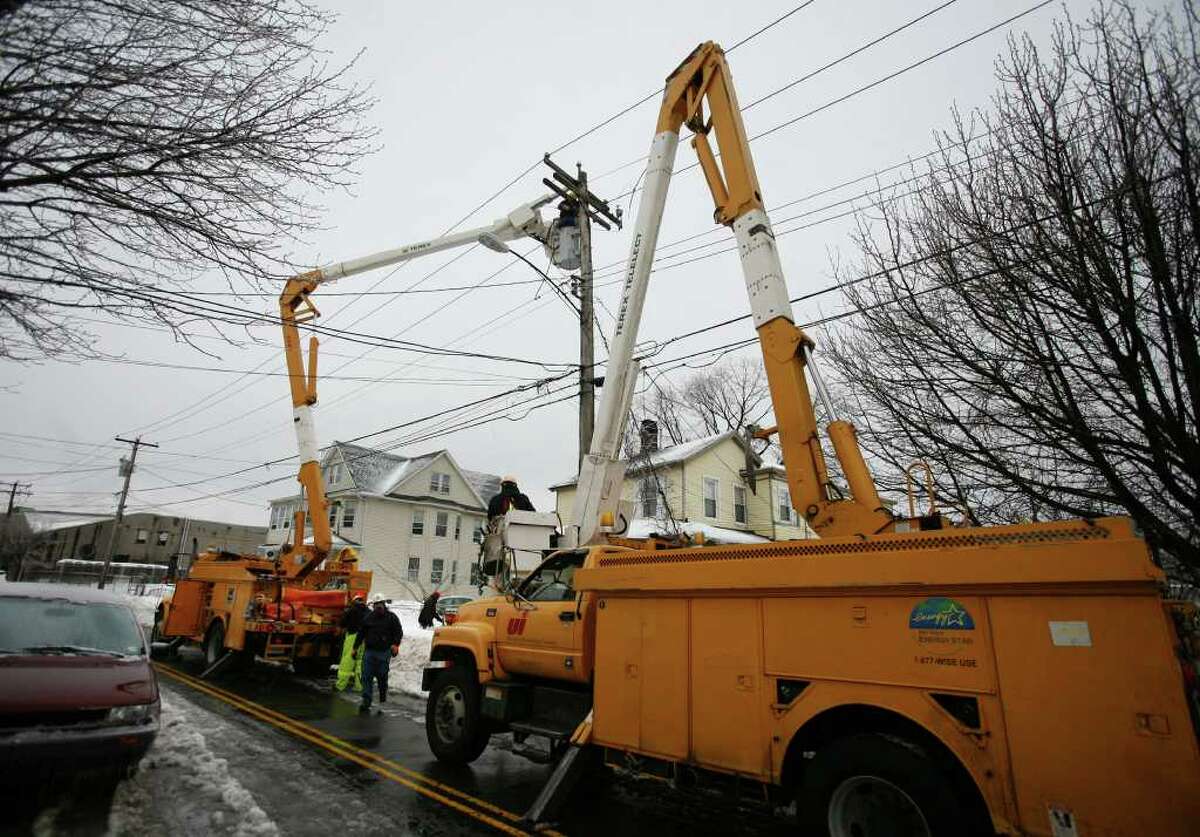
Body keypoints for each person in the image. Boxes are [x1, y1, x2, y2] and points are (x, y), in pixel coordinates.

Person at [352, 595, 403, 714]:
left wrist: (395, 644)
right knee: (366, 677)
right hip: (369, 652)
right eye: (376, 604)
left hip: (384, 652)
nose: (379, 606)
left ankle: (382, 698)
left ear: (384, 604)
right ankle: (366, 700)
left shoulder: (392, 617)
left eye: (381, 603)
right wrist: (355, 647)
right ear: (373, 605)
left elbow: (398, 632)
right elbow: (361, 634)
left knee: (382, 676)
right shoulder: (369, 617)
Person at [335, 594, 368, 691]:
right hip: (364, 639)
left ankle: (340, 685)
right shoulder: (368, 611)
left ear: (354, 601)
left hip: (353, 637)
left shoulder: (351, 610)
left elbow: (342, 623)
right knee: (360, 662)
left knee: (347, 660)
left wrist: (339, 628)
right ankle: (359, 686)